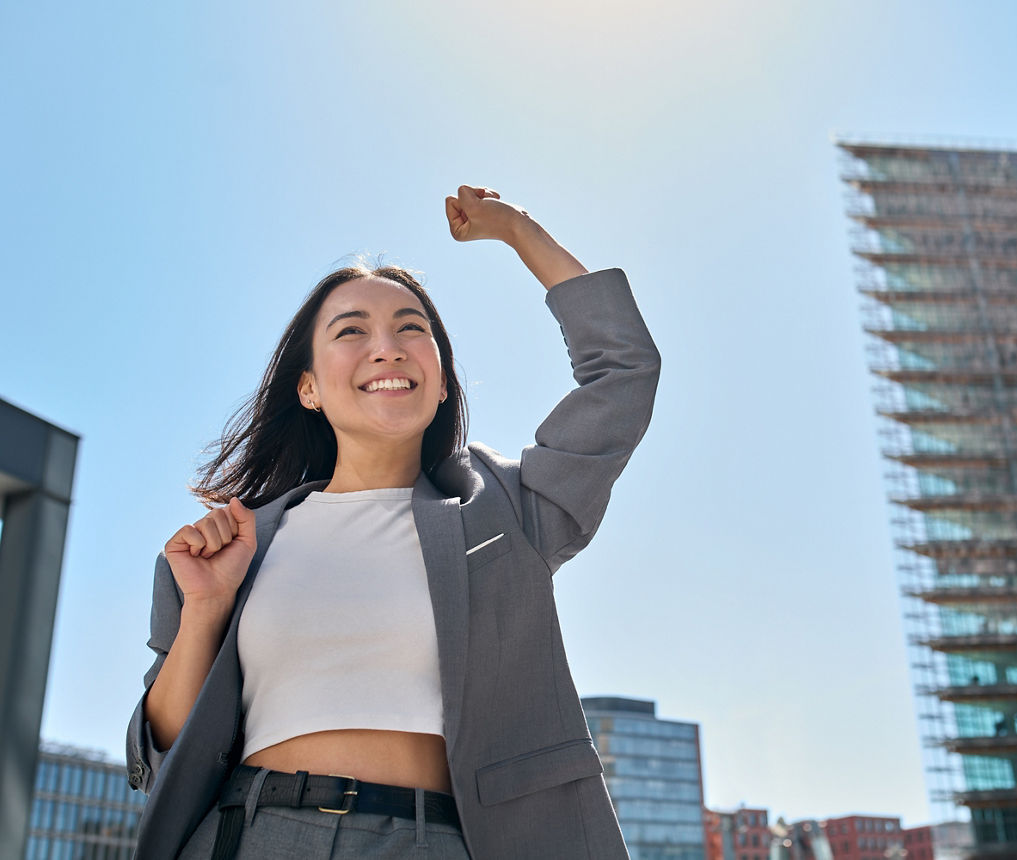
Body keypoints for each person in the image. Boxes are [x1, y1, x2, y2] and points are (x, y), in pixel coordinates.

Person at [124, 185, 662, 859]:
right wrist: (204, 610)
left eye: (413, 328)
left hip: (434, 841)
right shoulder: (233, 548)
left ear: (440, 382)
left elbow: (624, 370)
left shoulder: (507, 513)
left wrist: (518, 230)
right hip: (248, 833)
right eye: (351, 331)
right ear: (309, 387)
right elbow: (162, 751)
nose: (387, 347)